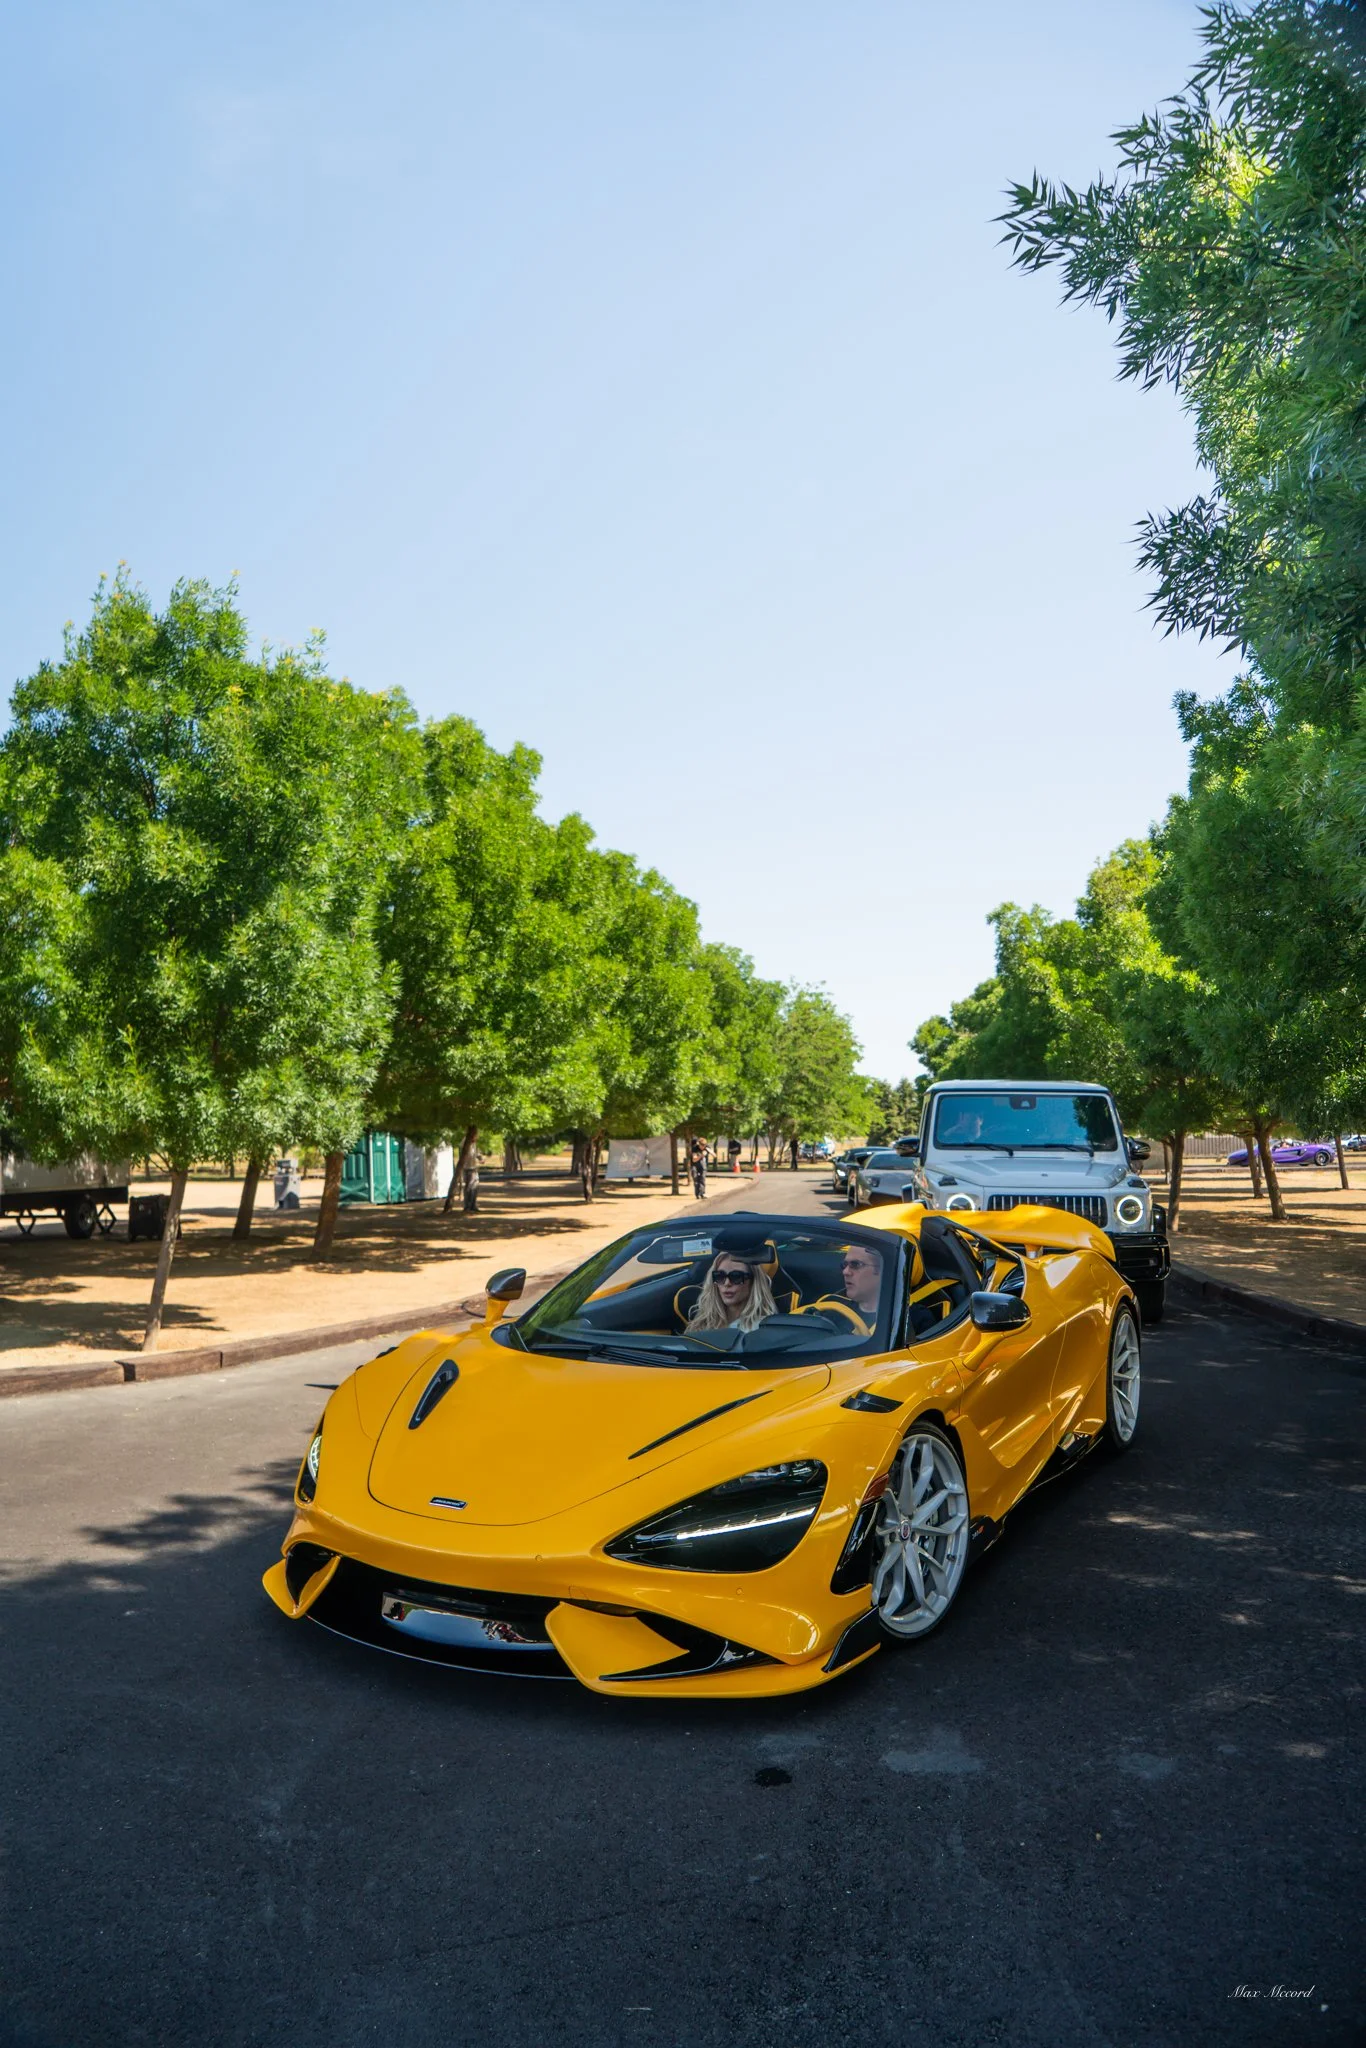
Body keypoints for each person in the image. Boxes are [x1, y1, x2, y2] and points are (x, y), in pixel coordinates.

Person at [686, 1251, 777, 1333]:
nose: (727, 1283)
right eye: (720, 1276)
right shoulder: (701, 1324)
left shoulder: (764, 1328)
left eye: (736, 1276)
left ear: (753, 1282)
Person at [690, 1135, 708, 1201]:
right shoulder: (695, 1148)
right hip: (694, 1165)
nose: (703, 1146)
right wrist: (701, 1155)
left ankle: (702, 1193)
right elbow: (694, 1159)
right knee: (696, 1180)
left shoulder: (706, 1148)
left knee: (702, 1179)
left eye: (705, 1145)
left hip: (703, 1166)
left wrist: (710, 1151)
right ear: (699, 1144)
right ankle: (697, 1194)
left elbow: (714, 1155)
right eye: (702, 1145)